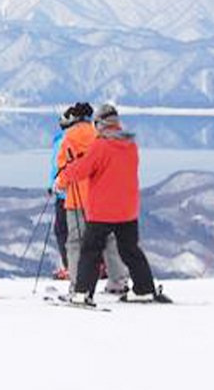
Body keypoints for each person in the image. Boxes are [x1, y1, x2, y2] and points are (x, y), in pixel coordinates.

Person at [61, 104, 170, 305]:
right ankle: (144, 289)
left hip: (103, 210)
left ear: (100, 123)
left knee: (90, 251)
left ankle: (82, 293)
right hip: (128, 210)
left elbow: (81, 170)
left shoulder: (100, 145)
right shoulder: (130, 145)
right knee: (130, 250)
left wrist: (66, 173)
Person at [54, 102, 129, 295]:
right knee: (110, 241)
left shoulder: (67, 138)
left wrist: (58, 185)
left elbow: (65, 168)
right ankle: (118, 282)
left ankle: (79, 287)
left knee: (75, 243)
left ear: (72, 119)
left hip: (77, 199)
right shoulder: (101, 136)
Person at [49, 114, 69, 280]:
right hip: (87, 195)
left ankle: (70, 267)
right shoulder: (91, 136)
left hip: (64, 192)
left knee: (62, 231)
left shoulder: (62, 141)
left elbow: (57, 166)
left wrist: (53, 185)